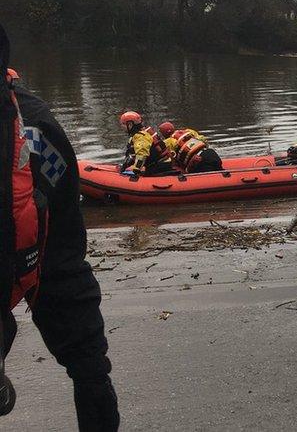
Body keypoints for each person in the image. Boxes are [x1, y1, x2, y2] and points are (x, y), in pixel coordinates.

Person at [0, 23, 119, 429]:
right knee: (90, 369)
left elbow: (61, 198)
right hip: (47, 256)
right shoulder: (33, 119)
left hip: (42, 252)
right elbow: (65, 199)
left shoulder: (30, 124)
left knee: (90, 370)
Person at [119, 111, 174, 176]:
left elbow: (141, 155)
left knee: (141, 173)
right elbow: (133, 153)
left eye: (123, 124)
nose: (121, 127)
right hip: (159, 163)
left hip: (160, 165)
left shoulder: (141, 137)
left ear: (130, 125)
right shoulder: (139, 134)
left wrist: (136, 170)